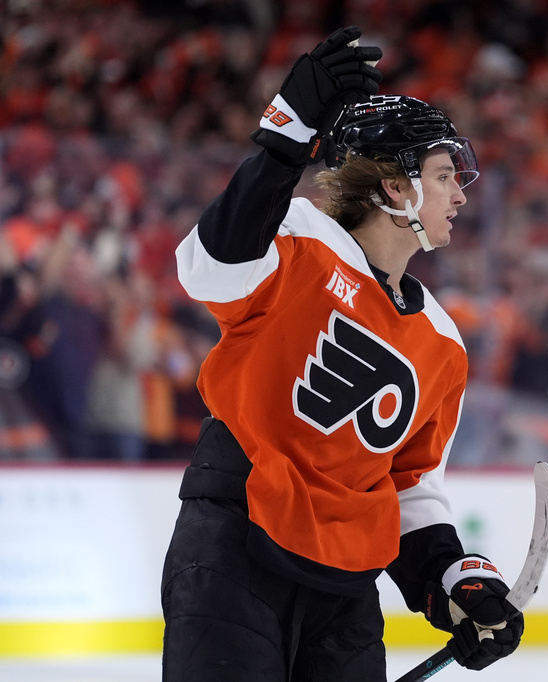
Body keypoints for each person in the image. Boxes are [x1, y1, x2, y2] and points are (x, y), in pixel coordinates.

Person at [161, 27, 523, 682]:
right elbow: (208, 268)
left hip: (346, 588)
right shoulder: (300, 237)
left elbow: (410, 484)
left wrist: (453, 582)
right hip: (236, 546)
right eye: (444, 176)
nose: (461, 195)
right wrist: (285, 133)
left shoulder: (442, 342)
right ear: (393, 188)